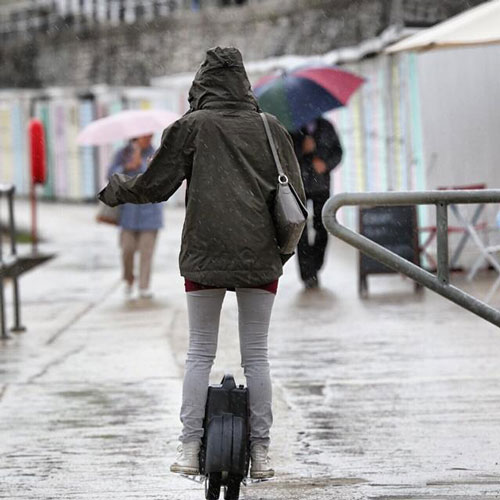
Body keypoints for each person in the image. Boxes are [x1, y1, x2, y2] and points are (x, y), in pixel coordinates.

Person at [98, 47, 305, 479]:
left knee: (199, 354)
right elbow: (296, 200)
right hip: (259, 257)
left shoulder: (192, 127)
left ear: (202, 83)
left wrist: (116, 188)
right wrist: (278, 255)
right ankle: (262, 453)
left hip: (204, 253)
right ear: (244, 84)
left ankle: (190, 448)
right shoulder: (271, 128)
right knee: (257, 358)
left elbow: (155, 186)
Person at [107, 135, 163, 299]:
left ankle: (144, 286)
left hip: (150, 214)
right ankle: (129, 280)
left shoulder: (156, 153)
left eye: (151, 135)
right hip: (128, 214)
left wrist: (143, 166)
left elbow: (159, 178)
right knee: (127, 250)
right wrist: (127, 166)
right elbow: (110, 175)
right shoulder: (122, 154)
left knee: (147, 252)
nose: (149, 138)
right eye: (145, 135)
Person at [291, 117, 343, 289]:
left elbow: (338, 152)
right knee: (301, 230)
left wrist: (326, 164)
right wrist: (301, 149)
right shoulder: (292, 128)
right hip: (300, 185)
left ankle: (316, 264)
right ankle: (307, 274)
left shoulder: (327, 126)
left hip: (322, 185)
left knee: (324, 226)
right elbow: (283, 155)